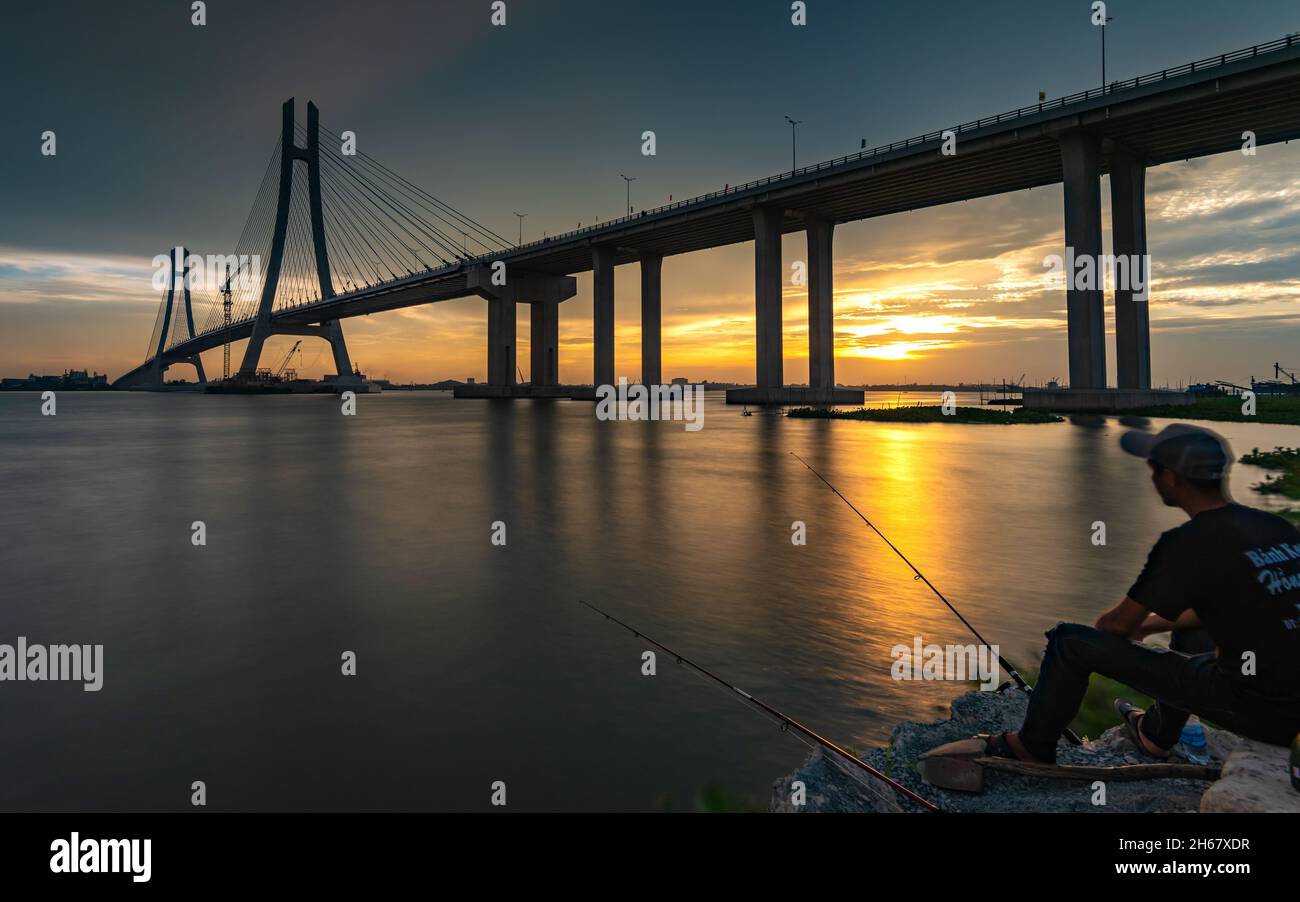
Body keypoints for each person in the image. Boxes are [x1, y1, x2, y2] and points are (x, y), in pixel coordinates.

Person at [978, 424, 1300, 763]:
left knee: (1069, 642)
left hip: (1264, 711)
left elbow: (1115, 627)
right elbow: (1244, 606)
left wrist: (1115, 633)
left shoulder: (1187, 542)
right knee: (1194, 628)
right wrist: (1149, 627)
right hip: (1285, 696)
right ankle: (1156, 735)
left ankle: (1030, 747)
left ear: (1171, 478)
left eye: (1154, 469)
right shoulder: (1271, 526)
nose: (1152, 477)